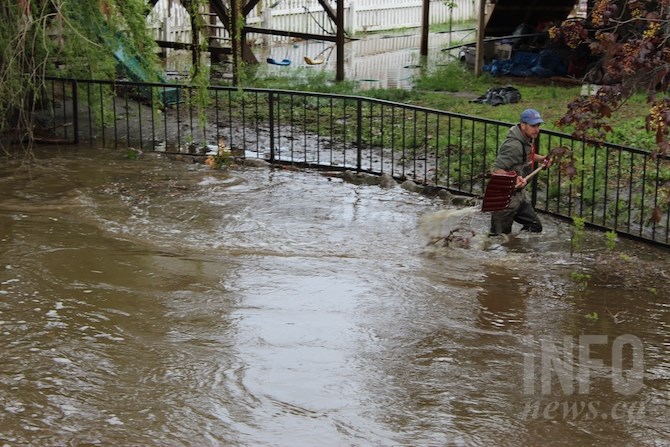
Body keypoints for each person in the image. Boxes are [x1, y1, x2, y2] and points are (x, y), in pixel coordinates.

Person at [489, 108, 551, 235]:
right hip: (504, 201)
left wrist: (542, 159)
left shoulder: (526, 139)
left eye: (538, 125)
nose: (537, 129)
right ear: (523, 125)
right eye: (533, 125)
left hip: (519, 196)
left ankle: (517, 247)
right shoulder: (513, 145)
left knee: (534, 226)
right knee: (499, 240)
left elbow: (527, 156)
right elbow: (496, 170)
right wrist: (514, 179)